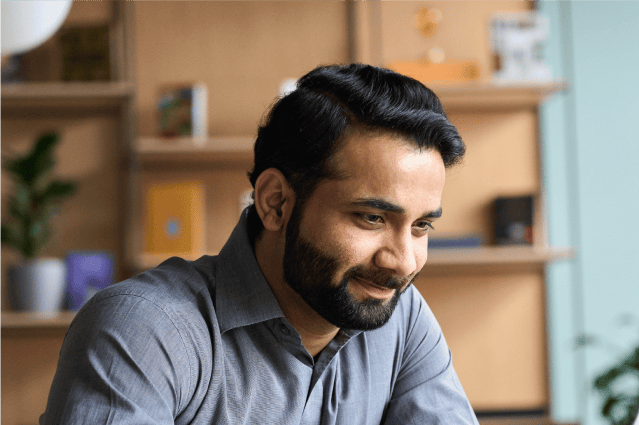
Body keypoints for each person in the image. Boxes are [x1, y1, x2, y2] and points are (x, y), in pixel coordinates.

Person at [41, 63, 478, 424]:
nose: (402, 262)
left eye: (421, 227)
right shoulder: (144, 330)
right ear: (275, 203)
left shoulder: (401, 319)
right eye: (372, 217)